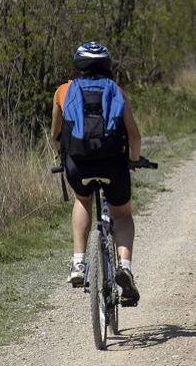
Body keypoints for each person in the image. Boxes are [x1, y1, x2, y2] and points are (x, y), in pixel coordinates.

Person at [50, 42, 143, 306]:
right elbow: (134, 135)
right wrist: (134, 160)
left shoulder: (63, 91)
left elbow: (56, 135)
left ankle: (79, 262)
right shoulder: (117, 92)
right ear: (107, 65)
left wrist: (64, 154)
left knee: (83, 200)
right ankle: (124, 267)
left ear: (77, 64)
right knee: (122, 214)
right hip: (113, 164)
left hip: (78, 164)